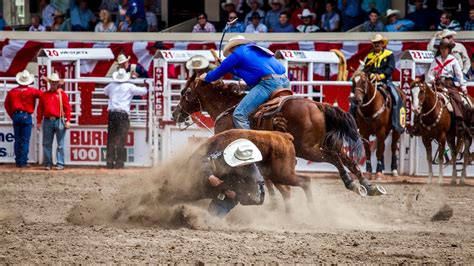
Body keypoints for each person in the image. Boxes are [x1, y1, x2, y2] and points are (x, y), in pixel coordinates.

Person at [200, 35, 289, 129]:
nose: (230, 53)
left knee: (239, 115)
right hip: (285, 82)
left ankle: (249, 142)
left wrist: (205, 77)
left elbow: (218, 72)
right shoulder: (256, 50)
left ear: (233, 47)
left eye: (230, 51)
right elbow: (248, 71)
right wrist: (225, 65)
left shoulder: (237, 53)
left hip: (269, 84)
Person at [352, 34, 405, 133]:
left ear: (382, 43)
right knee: (355, 98)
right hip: (371, 82)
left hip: (386, 81)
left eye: (378, 43)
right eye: (375, 43)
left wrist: (381, 76)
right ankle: (353, 123)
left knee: (396, 97)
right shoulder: (369, 56)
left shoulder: (389, 54)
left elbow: (391, 68)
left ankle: (396, 123)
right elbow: (366, 69)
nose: (376, 44)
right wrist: (372, 75)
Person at [203, 138, 264, 216]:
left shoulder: (255, 176)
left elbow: (259, 199)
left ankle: (207, 218)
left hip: (229, 192)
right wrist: (210, 176)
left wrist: (237, 196)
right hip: (210, 182)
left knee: (215, 214)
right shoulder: (225, 155)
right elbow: (205, 160)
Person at [104, 68, 148, 169]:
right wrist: (140, 80)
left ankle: (109, 162)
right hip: (122, 115)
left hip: (112, 113)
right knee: (121, 139)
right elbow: (144, 91)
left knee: (111, 139)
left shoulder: (111, 86)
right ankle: (119, 163)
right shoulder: (130, 86)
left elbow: (104, 91)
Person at [425, 39, 470, 130]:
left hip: (449, 84)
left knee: (458, 99)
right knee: (426, 99)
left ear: (449, 49)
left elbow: (459, 74)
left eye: (445, 48)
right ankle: (419, 123)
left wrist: (463, 87)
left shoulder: (453, 60)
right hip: (437, 84)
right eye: (441, 48)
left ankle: (459, 121)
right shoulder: (436, 60)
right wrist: (431, 80)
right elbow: (430, 73)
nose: (443, 50)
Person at [4, 70, 42, 168]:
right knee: (25, 140)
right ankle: (23, 161)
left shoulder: (12, 92)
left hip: (16, 116)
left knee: (17, 139)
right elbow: (43, 95)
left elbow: (7, 105)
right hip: (26, 115)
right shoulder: (32, 91)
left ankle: (18, 161)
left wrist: (12, 116)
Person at [37, 73, 71, 171]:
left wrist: (68, 120)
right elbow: (40, 109)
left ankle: (59, 163)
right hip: (48, 120)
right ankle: (48, 163)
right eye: (52, 82)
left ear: (57, 83)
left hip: (59, 119)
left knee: (60, 144)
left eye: (55, 82)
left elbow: (67, 108)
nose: (53, 84)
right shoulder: (44, 95)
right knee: (47, 143)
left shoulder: (62, 94)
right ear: (50, 83)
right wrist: (39, 121)